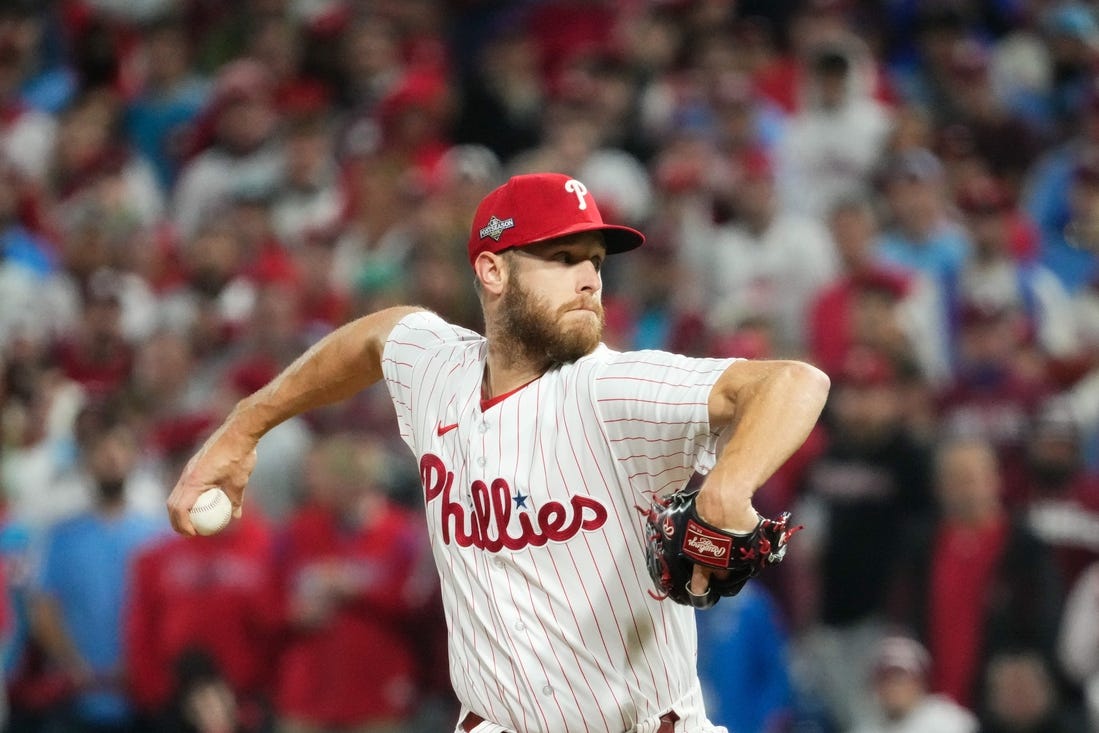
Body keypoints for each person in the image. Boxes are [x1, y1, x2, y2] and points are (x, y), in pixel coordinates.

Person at [166, 172, 831, 733]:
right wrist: (244, 425)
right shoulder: (437, 370)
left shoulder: (613, 386)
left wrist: (726, 487)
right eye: (561, 257)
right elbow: (375, 338)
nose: (587, 280)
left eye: (594, 260)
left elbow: (794, 381)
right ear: (491, 269)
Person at [850, 635, 978, 733]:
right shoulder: (866, 728)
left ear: (920, 683)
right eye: (887, 680)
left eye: (901, 680)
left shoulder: (949, 721)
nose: (894, 688)